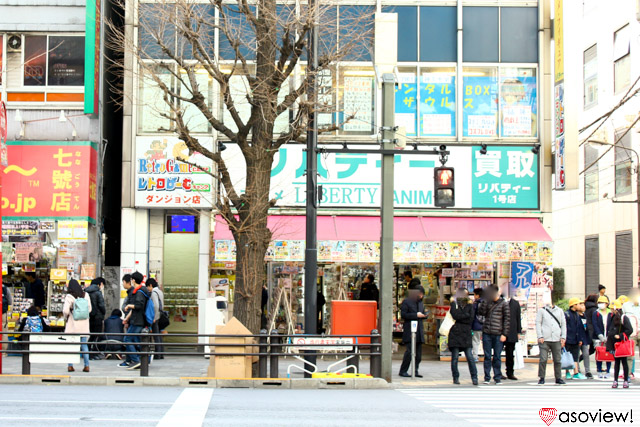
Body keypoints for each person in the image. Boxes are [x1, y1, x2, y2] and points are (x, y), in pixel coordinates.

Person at [477, 286, 510, 385]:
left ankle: (497, 377)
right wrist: (484, 301)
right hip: (487, 332)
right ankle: (487, 377)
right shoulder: (487, 302)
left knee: (497, 356)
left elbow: (507, 320)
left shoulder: (504, 304)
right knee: (487, 356)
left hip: (498, 333)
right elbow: (480, 312)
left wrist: (504, 334)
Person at [448, 289, 478, 385]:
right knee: (455, 357)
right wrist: (464, 315)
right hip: (456, 333)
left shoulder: (470, 305)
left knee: (469, 356)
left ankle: (474, 377)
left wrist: (461, 316)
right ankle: (455, 378)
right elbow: (454, 315)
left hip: (465, 332)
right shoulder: (454, 304)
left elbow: (471, 318)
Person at [536, 293, 567, 385]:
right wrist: (540, 336)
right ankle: (541, 377)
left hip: (556, 338)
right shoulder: (542, 311)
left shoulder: (560, 311)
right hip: (545, 338)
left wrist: (563, 337)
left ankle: (558, 377)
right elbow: (538, 323)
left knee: (557, 359)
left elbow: (563, 324)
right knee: (543, 359)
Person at [120, 272, 149, 370]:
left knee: (128, 339)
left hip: (138, 320)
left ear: (133, 280)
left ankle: (136, 360)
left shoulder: (140, 292)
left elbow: (139, 306)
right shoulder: (140, 290)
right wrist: (127, 318)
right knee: (135, 340)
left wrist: (129, 306)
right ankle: (145, 359)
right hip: (137, 320)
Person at [63, 279, 92, 373]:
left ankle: (70, 366)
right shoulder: (85, 295)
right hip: (84, 325)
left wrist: (66, 317)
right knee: (84, 346)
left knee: (71, 346)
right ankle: (87, 366)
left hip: (73, 325)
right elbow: (90, 309)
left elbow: (65, 311)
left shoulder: (69, 296)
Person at [399, 286, 426, 377]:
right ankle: (403, 370)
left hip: (419, 330)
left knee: (418, 354)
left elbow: (422, 313)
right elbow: (403, 315)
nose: (421, 296)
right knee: (410, 352)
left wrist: (424, 315)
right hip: (410, 330)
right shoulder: (406, 302)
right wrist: (415, 315)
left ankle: (415, 370)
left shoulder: (421, 303)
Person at [607, 300, 634, 389]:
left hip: (621, 343)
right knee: (617, 362)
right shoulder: (612, 317)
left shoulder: (623, 317)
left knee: (624, 362)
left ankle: (626, 380)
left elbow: (629, 329)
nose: (611, 311)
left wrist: (621, 336)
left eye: (612, 309)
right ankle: (615, 380)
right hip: (614, 343)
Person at [564, 298, 587, 380]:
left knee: (575, 356)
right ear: (573, 305)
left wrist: (580, 339)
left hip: (576, 339)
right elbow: (564, 327)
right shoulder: (567, 314)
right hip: (568, 339)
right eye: (577, 304)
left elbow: (580, 327)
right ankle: (567, 372)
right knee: (566, 356)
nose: (579, 306)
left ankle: (576, 372)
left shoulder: (577, 315)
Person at [85, 278, 106, 359]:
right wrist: (103, 313)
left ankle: (88, 352)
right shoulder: (98, 293)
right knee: (96, 336)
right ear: (99, 284)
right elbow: (101, 305)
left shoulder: (85, 292)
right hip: (97, 317)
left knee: (90, 335)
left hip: (88, 317)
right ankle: (93, 353)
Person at [622, 288, 640, 380]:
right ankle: (627, 374)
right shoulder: (626, 305)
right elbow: (623, 318)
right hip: (631, 333)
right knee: (629, 354)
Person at [592, 295, 612, 378]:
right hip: (598, 337)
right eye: (599, 302)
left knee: (609, 354)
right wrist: (599, 335)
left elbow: (612, 325)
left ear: (607, 304)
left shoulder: (610, 313)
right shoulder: (596, 313)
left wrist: (609, 335)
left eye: (602, 302)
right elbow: (595, 324)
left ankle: (608, 371)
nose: (601, 304)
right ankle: (599, 370)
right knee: (599, 353)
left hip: (608, 337)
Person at [504, 295, 522, 381]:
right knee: (496, 353)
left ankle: (510, 372)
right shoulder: (500, 301)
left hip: (512, 332)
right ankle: (497, 373)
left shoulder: (515, 303)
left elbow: (518, 318)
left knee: (510, 354)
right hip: (500, 331)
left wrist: (518, 331)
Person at [148, 278, 165, 360]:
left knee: (156, 335)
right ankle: (161, 353)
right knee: (159, 335)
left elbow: (156, 306)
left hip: (156, 316)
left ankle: (157, 354)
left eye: (148, 287)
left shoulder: (154, 293)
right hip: (160, 315)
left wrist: (154, 317)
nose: (148, 289)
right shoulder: (160, 291)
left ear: (151, 285)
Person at [577, 300, 594, 379]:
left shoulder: (585, 315)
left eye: (584, 305)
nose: (584, 307)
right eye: (582, 305)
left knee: (586, 354)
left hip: (584, 338)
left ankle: (588, 371)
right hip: (577, 338)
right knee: (576, 355)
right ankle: (578, 370)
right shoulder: (576, 316)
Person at [471, 288, 484, 362]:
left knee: (475, 341)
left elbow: (472, 315)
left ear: (477, 295)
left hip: (477, 325)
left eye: (474, 294)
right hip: (486, 326)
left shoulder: (475, 304)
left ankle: (475, 356)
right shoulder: (487, 302)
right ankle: (487, 356)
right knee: (486, 342)